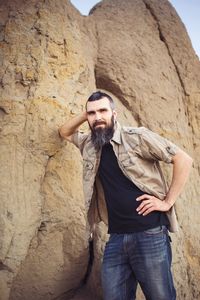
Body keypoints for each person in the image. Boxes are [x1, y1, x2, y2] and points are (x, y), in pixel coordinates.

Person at [59, 91, 193, 300]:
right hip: (117, 237)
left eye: (103, 111)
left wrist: (167, 201)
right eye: (92, 113)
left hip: (150, 233)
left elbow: (183, 159)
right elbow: (65, 132)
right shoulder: (90, 145)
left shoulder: (136, 137)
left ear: (115, 113)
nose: (98, 117)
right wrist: (87, 115)